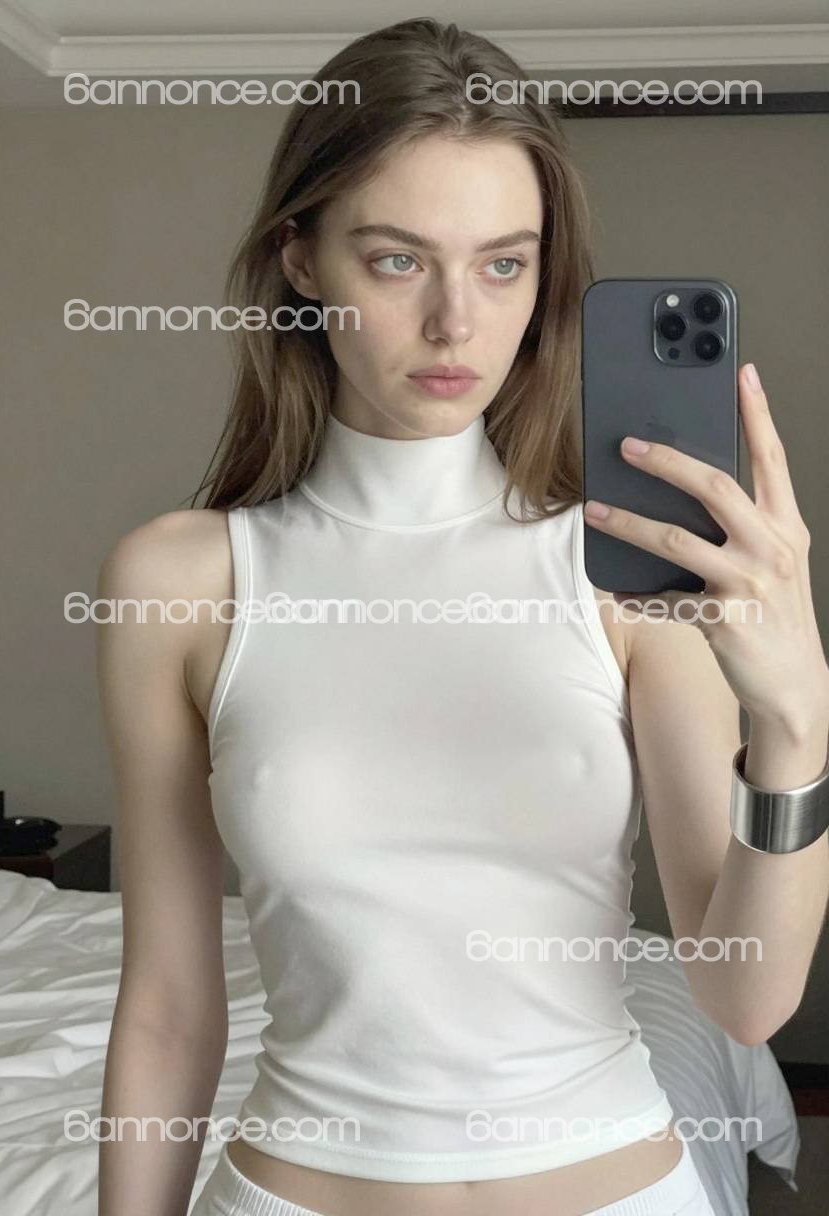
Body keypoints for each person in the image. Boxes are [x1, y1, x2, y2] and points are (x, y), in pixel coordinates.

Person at [96, 17, 829, 1216]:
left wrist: (795, 720)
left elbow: (745, 998)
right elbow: (170, 1006)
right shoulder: (177, 580)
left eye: (503, 265)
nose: (455, 323)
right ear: (299, 259)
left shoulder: (627, 574)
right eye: (397, 261)